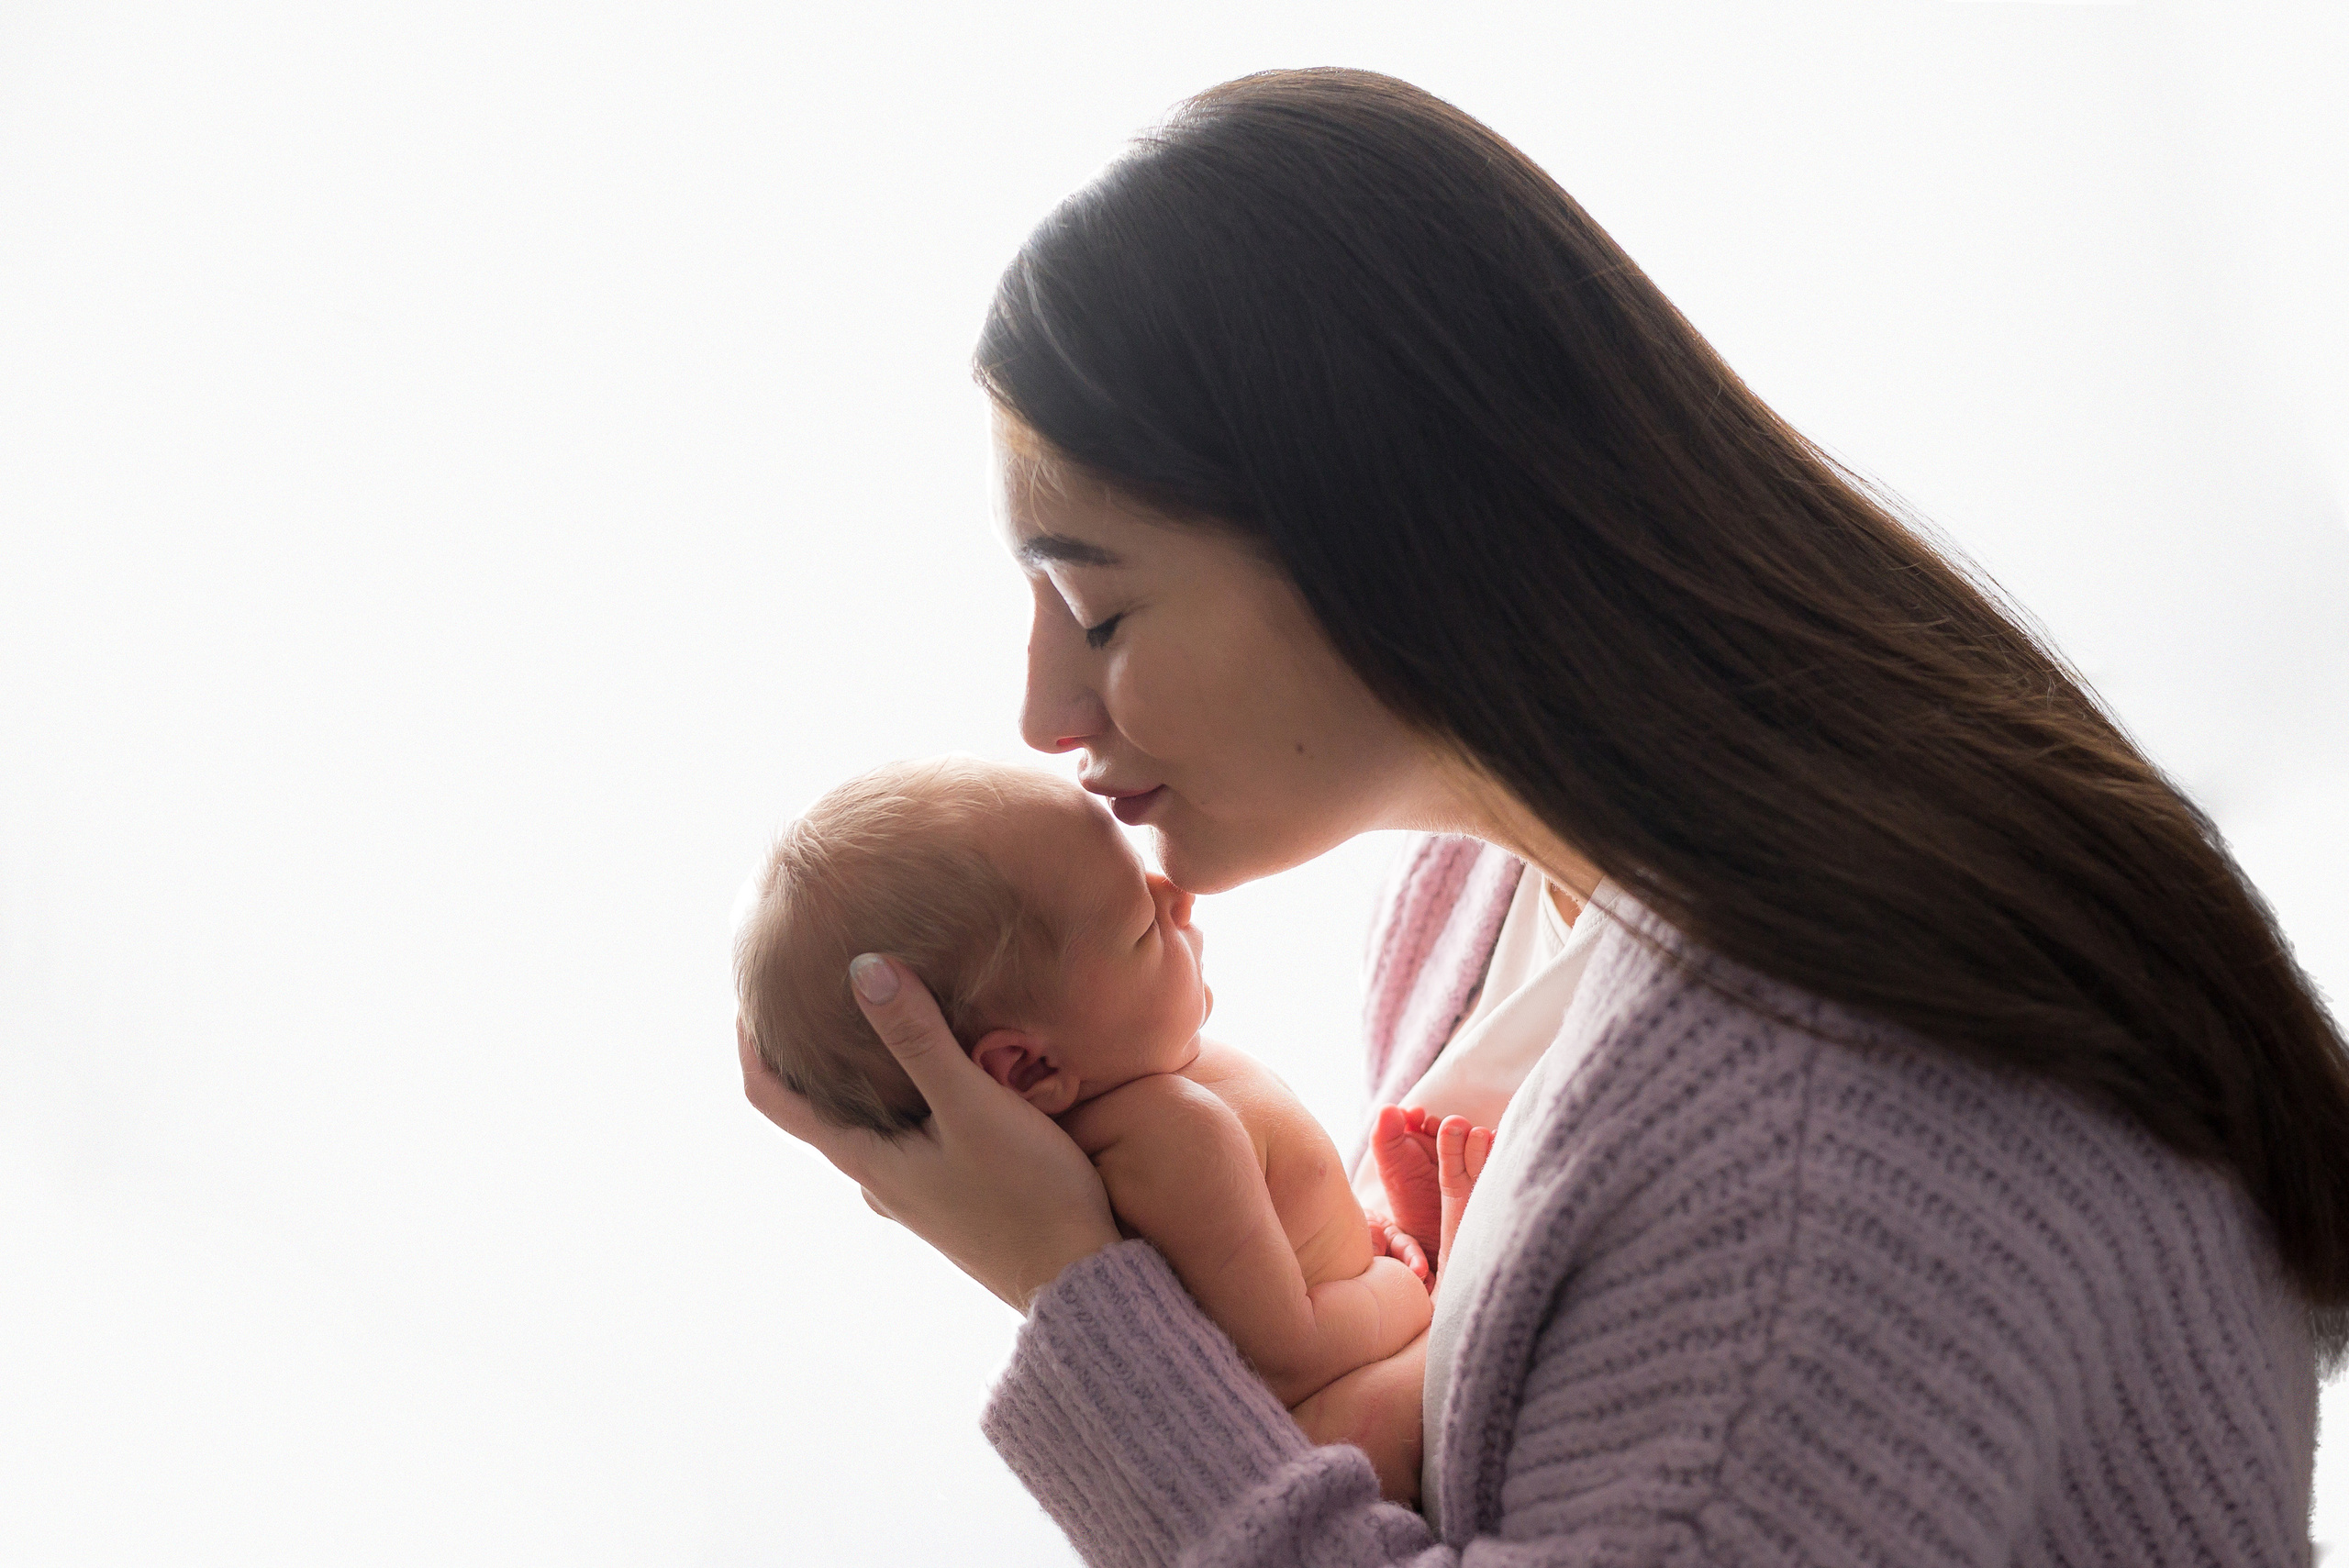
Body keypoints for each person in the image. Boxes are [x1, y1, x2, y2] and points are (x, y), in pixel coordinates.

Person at [740, 67, 2348, 1564]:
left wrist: (1083, 1297)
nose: (1043, 716)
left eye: (1098, 617)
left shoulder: (1813, 1159)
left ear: (1380, 529)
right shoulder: (1489, 884)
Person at [731, 755, 1471, 1486]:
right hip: (1339, 1419)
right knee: (1444, 1367)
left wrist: (1360, 1232)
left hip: (1343, 1331)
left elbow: (1265, 1253)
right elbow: (1289, 1349)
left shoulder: (1142, 1096)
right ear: (1029, 1070)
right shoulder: (1175, 1134)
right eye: (1142, 927)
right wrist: (1410, 1285)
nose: (1175, 892)